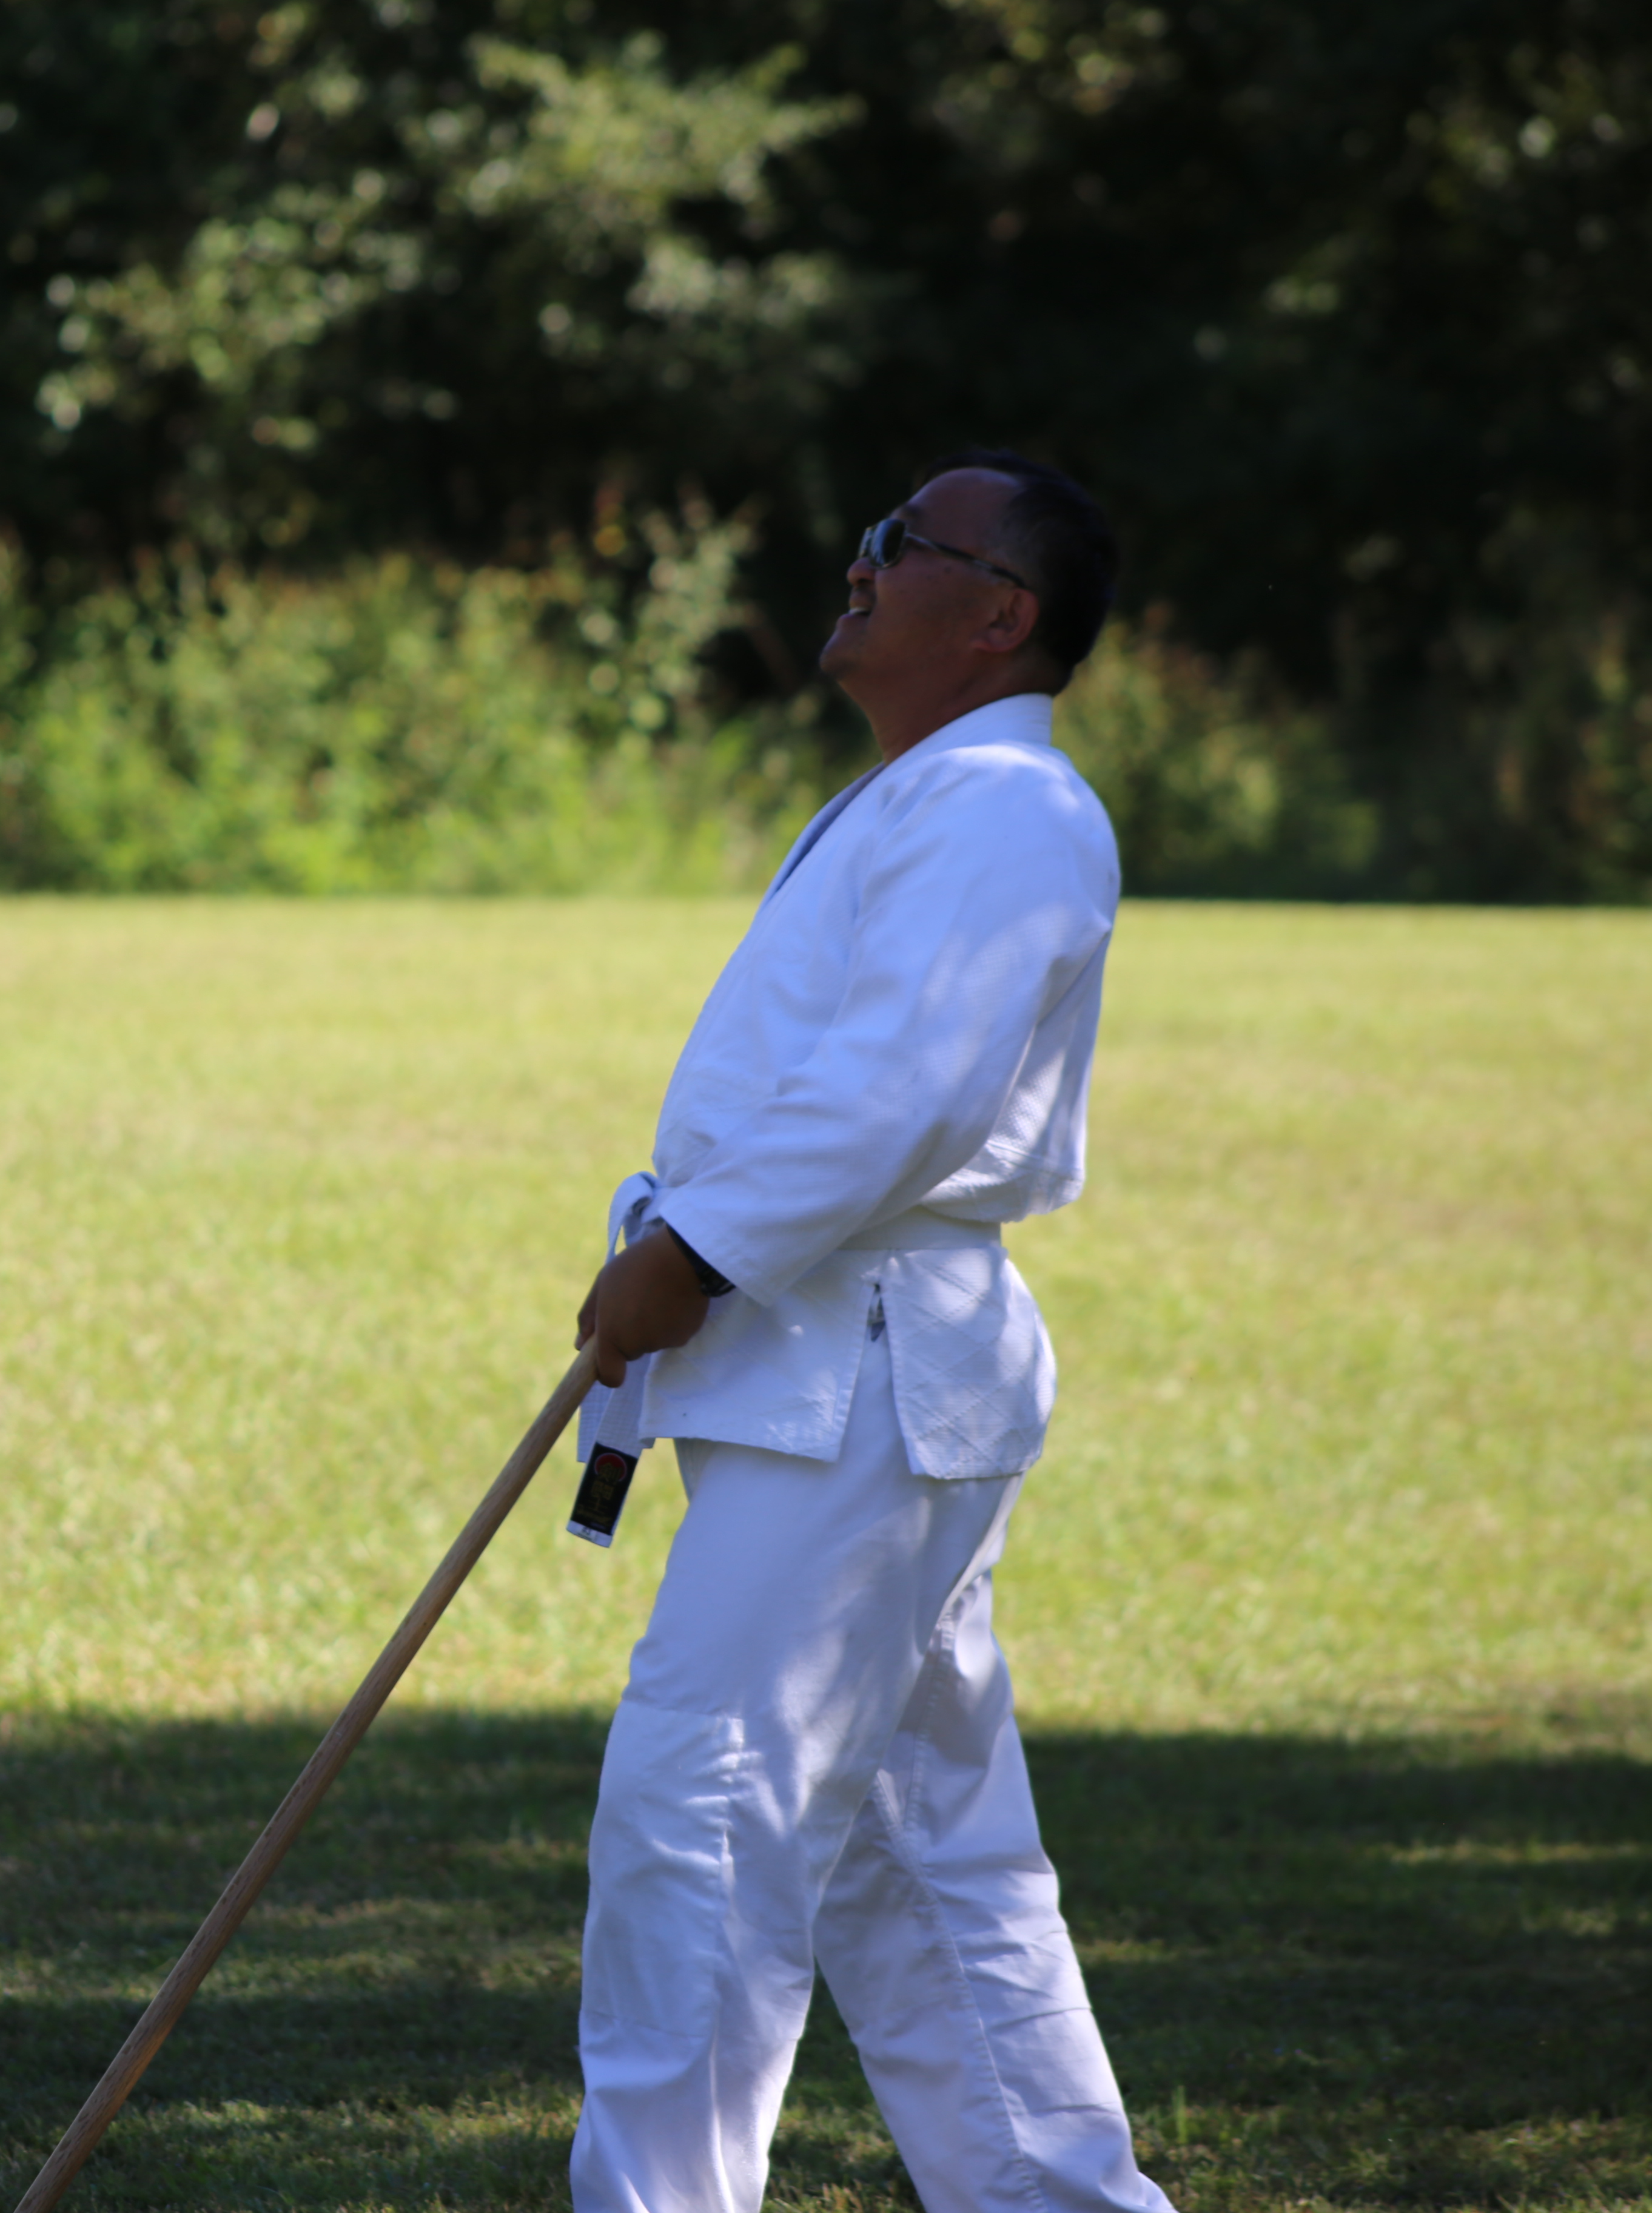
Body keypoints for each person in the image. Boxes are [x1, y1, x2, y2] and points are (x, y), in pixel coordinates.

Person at [564, 454, 1170, 2213]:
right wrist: (692, 1250)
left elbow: (904, 1092)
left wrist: (695, 1250)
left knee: (705, 1815)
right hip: (845, 1369)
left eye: (906, 544)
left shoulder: (1008, 809)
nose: (863, 558)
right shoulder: (929, 793)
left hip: (865, 1369)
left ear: (1000, 616)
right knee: (920, 1858)